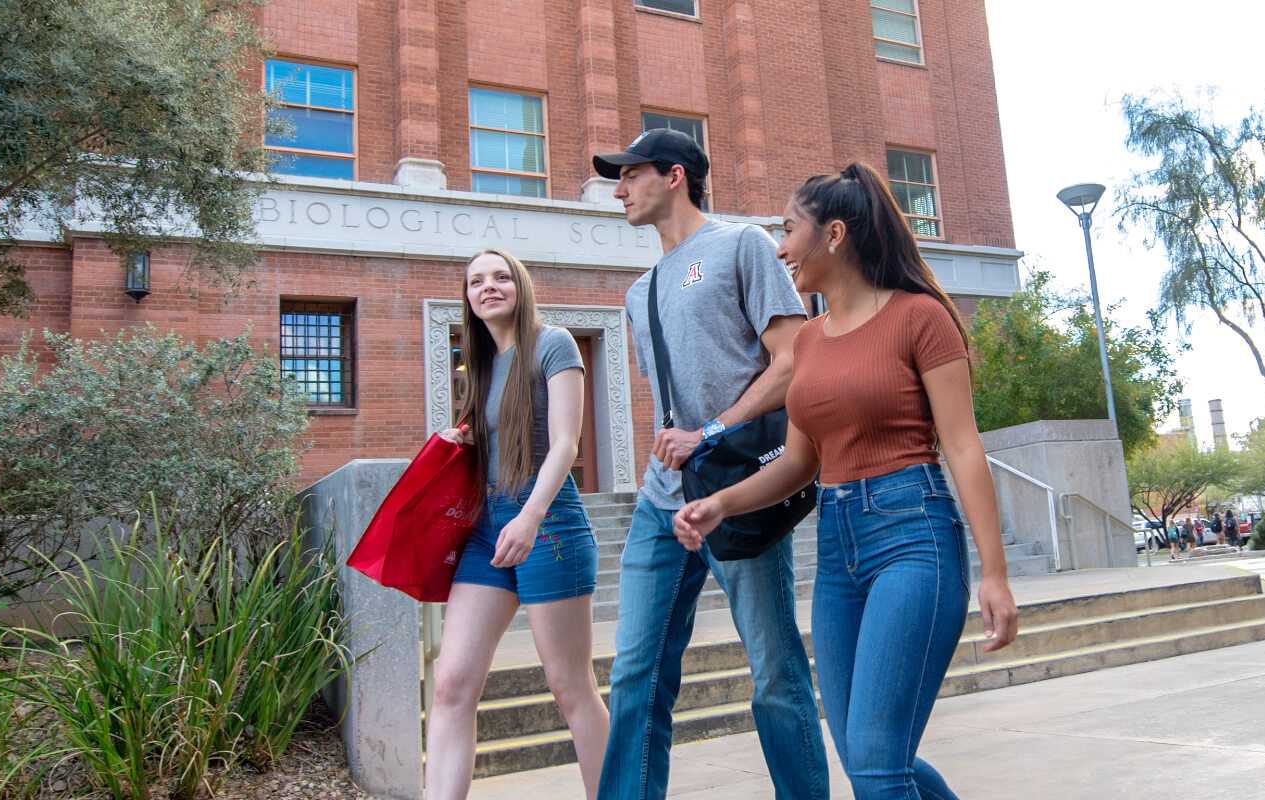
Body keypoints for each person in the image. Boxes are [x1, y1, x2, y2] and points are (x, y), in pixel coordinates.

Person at [675, 163, 1019, 799]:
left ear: (834, 235)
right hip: (839, 551)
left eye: (788, 230)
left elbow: (965, 447)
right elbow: (798, 463)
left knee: (879, 768)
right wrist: (720, 503)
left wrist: (994, 572)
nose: (779, 248)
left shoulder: (920, 318)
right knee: (867, 758)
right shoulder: (807, 342)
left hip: (913, 537)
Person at [590, 129, 828, 799]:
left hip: (737, 491)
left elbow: (792, 360)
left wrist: (713, 431)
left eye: (629, 175)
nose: (619, 189)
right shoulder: (639, 293)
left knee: (774, 672)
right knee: (636, 674)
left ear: (673, 176)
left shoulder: (742, 245)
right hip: (661, 503)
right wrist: (677, 443)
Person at [425, 249, 610, 799]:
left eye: (501, 277)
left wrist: (530, 517)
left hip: (548, 523)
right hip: (487, 528)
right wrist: (465, 440)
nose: (489, 287)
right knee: (452, 683)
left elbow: (566, 443)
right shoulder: (477, 362)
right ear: (467, 297)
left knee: (570, 685)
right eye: (476, 281)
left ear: (521, 286)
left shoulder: (552, 344)